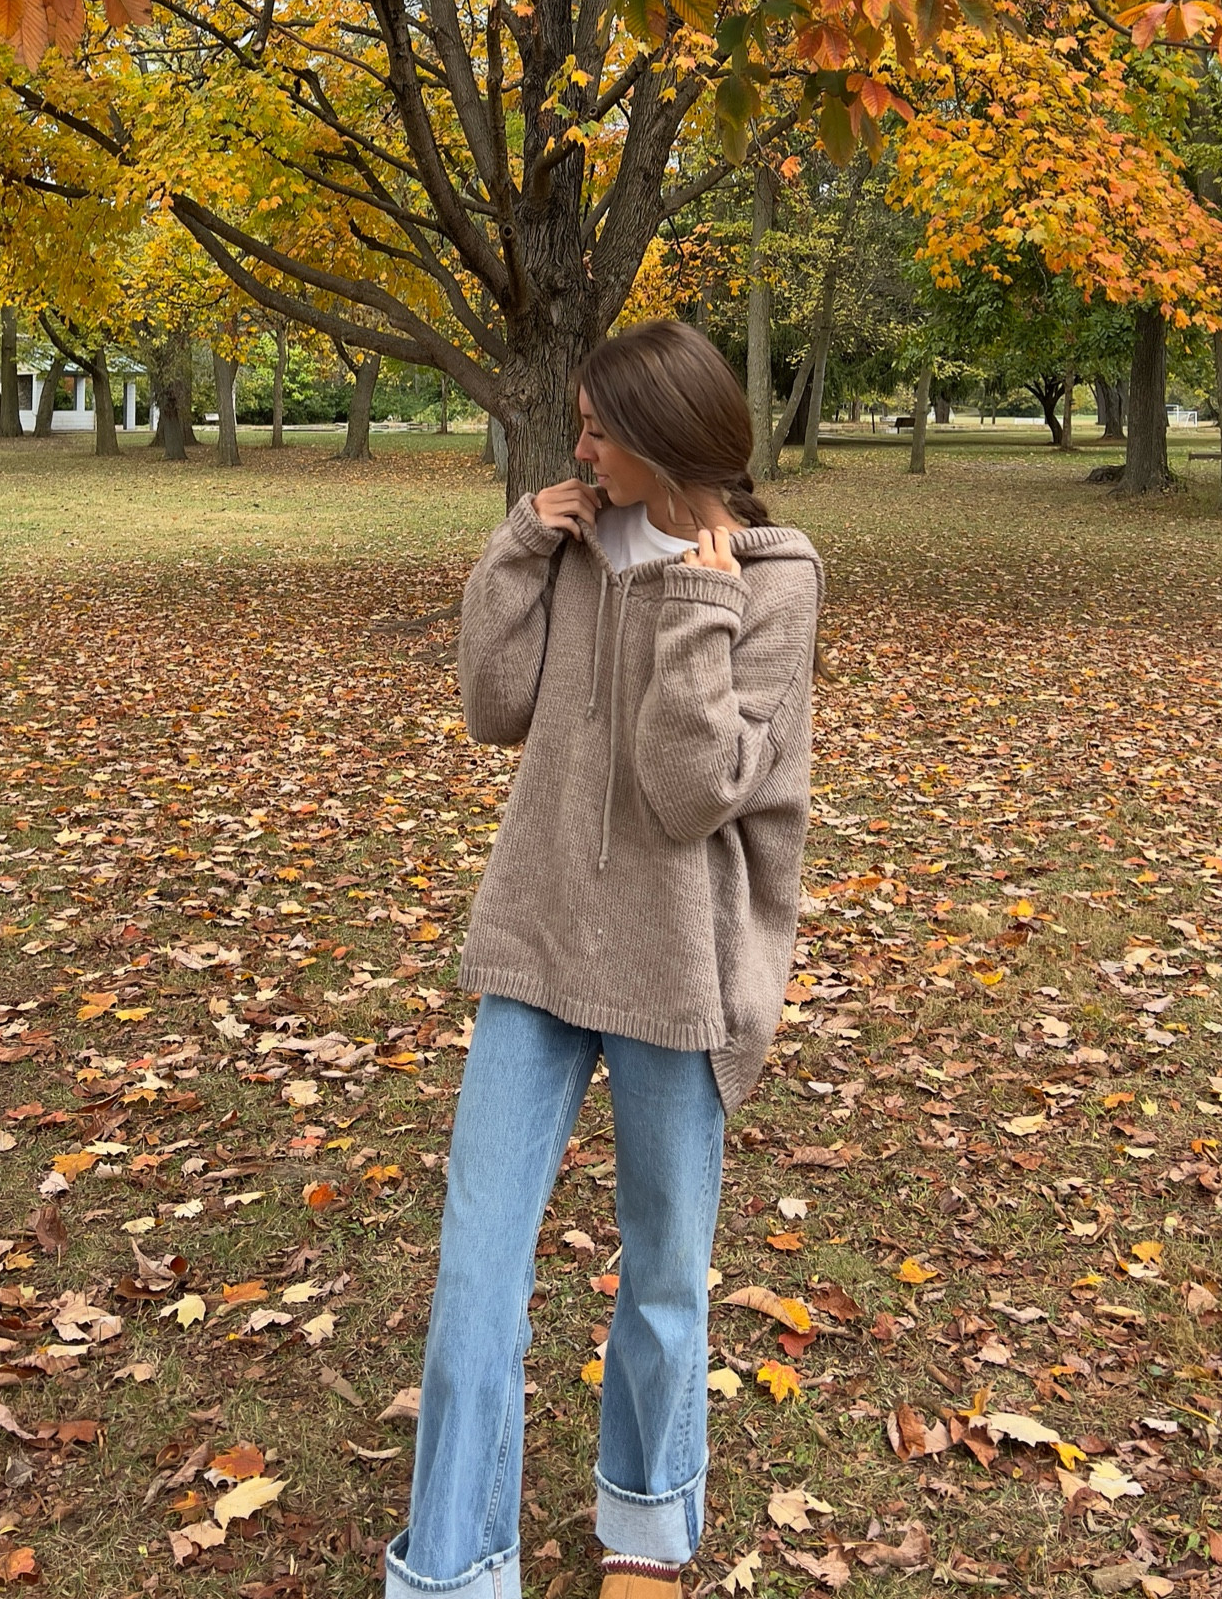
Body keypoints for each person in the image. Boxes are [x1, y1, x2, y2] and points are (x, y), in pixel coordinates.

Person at [385, 320, 823, 1599]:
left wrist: (696, 593)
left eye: (595, 426)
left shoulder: (779, 576)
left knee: (663, 1269)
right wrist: (523, 540)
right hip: (536, 941)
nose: (575, 445)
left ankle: (646, 1519)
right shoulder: (572, 542)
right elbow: (491, 705)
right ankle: (456, 1565)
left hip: (678, 965)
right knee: (476, 1267)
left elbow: (692, 792)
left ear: (665, 436)